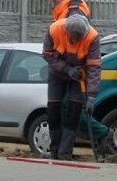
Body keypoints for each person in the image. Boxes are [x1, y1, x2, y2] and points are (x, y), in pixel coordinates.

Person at [43, 13, 101, 161]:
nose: (74, 42)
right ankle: (54, 151)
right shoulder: (54, 30)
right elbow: (47, 54)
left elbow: (94, 67)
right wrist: (67, 69)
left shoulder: (92, 37)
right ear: (66, 31)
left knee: (74, 113)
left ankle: (65, 154)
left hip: (79, 76)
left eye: (77, 40)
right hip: (57, 73)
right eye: (72, 39)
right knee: (53, 111)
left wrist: (91, 96)